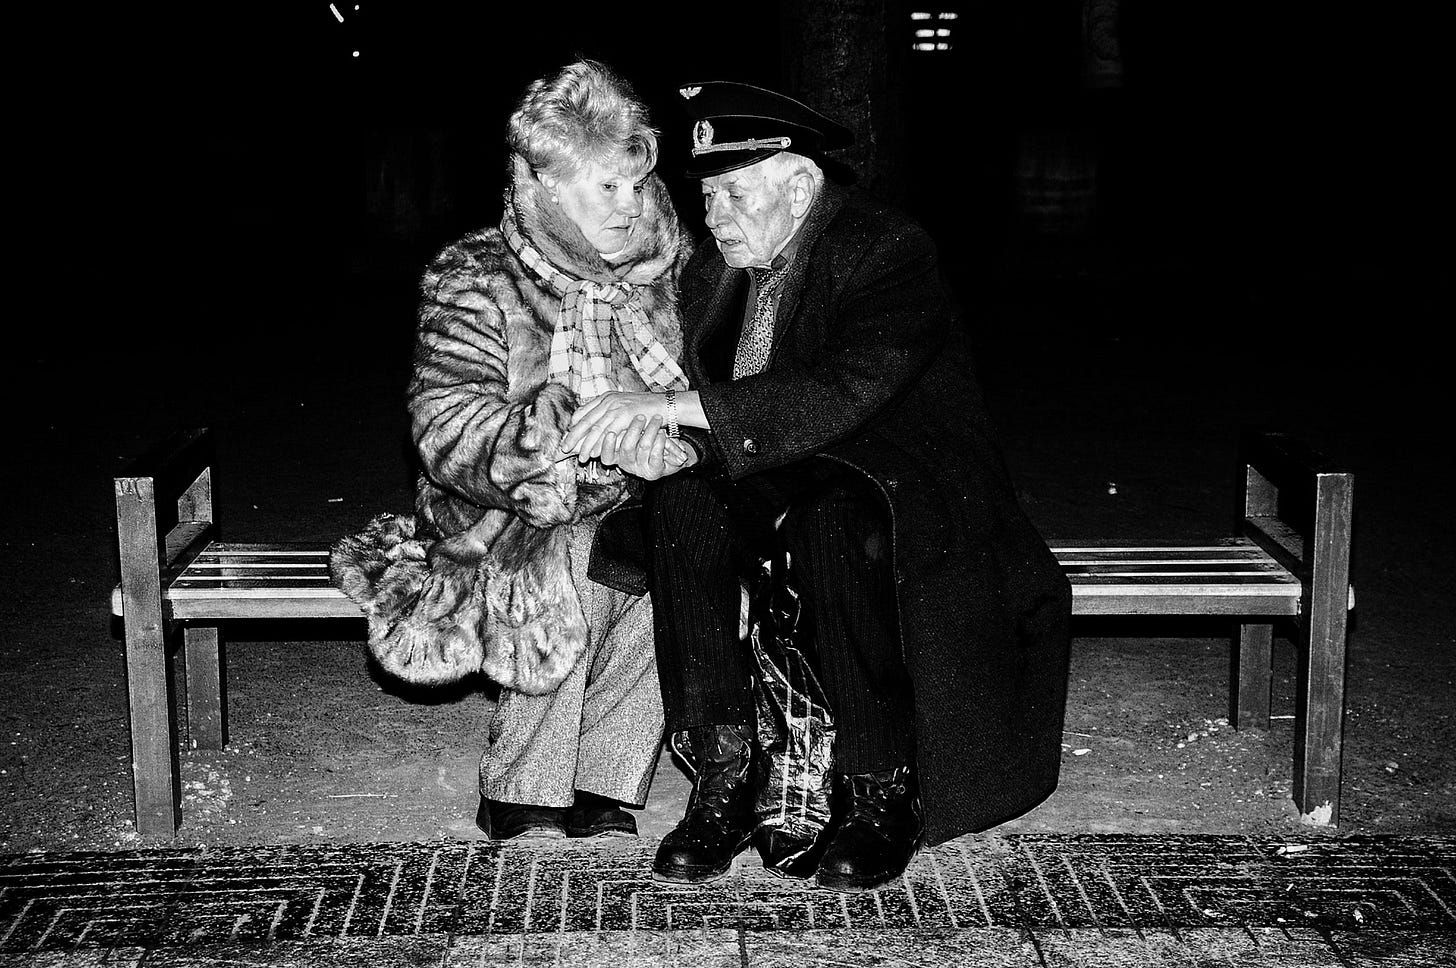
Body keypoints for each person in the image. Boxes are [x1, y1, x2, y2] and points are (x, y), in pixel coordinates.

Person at [561, 81, 1073, 892]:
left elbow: (844, 389)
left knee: (831, 520)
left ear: (798, 187)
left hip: (908, 485)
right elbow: (718, 412)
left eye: (733, 193)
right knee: (685, 506)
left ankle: (878, 793)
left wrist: (669, 406)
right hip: (782, 469)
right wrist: (662, 443)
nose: (714, 215)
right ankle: (724, 775)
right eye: (707, 196)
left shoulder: (883, 249)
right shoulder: (716, 272)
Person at [331, 59, 694, 842]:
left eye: (636, 186)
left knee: (679, 545)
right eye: (608, 188)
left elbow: (709, 390)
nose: (631, 209)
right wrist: (552, 438)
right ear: (549, 186)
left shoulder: (665, 275)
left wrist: (672, 441)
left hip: (640, 488)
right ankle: (524, 783)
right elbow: (442, 424)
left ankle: (605, 778)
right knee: (568, 550)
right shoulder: (478, 276)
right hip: (503, 501)